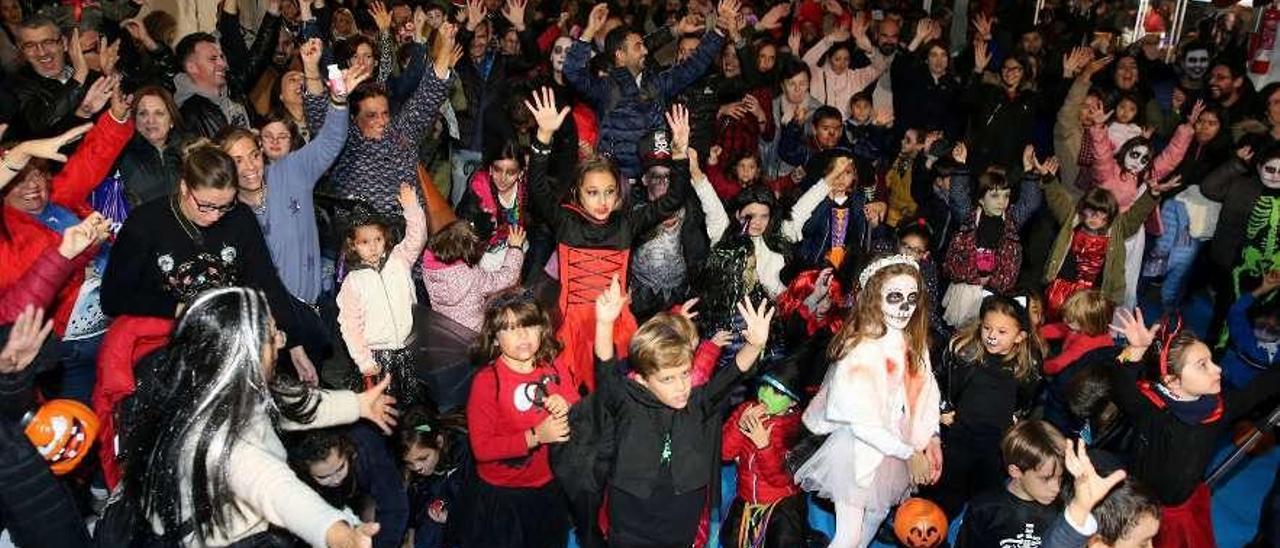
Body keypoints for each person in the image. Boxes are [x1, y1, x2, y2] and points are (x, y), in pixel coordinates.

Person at [118, 287, 395, 546]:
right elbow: (275, 488)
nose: (281, 342)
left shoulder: (207, 381)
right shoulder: (219, 439)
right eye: (272, 335)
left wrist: (358, 405)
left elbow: (293, 404)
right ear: (245, 352)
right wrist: (334, 531)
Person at [102, 145, 319, 384]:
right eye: (205, 206)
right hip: (166, 343)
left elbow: (265, 282)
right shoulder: (145, 223)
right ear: (185, 187)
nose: (215, 215)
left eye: (225, 205)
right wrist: (179, 309)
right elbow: (113, 297)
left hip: (231, 339)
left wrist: (295, 344)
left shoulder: (240, 217)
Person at [584, 276, 774, 547]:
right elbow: (605, 368)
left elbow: (731, 375)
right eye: (667, 379)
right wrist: (604, 323)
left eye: (685, 374)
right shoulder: (628, 402)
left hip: (679, 522)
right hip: (630, 521)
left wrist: (754, 345)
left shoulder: (697, 402)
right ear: (642, 379)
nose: (681, 387)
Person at [524, 88, 690, 392]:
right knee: (572, 396)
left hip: (616, 323)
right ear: (578, 193)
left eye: (609, 192)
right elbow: (536, 188)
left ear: (618, 193)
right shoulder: (565, 220)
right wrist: (543, 137)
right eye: (592, 192)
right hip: (571, 326)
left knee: (616, 393)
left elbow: (673, 198)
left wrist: (679, 153)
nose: (602, 201)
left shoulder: (626, 223)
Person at [796, 255, 942, 547]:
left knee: (875, 516)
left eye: (912, 298)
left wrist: (932, 437)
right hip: (859, 448)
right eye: (895, 297)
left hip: (897, 441)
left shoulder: (912, 342)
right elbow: (861, 422)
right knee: (848, 534)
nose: (905, 307)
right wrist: (908, 453)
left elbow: (927, 391)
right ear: (875, 298)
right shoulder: (860, 350)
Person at [1109, 308, 1280, 547]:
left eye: (1211, 360)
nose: (1217, 369)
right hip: (1140, 505)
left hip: (1183, 507)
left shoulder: (1218, 409)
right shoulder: (1152, 411)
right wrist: (1136, 350)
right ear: (1172, 381)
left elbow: (1259, 388)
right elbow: (1120, 383)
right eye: (1203, 365)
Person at [1, 96, 132, 403]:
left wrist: (115, 117)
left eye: (36, 174)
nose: (32, 185)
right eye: (18, 181)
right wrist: (76, 262)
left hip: (113, 320)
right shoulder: (8, 236)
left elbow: (90, 160)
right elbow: (26, 289)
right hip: (68, 347)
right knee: (78, 421)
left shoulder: (57, 200)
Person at [459, 288, 578, 547]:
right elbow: (482, 448)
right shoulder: (487, 382)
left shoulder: (554, 365)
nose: (522, 335)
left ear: (542, 329)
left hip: (549, 487)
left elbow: (580, 417)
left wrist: (568, 407)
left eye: (529, 325)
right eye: (511, 328)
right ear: (495, 338)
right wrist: (535, 436)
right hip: (504, 496)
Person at [564, 1, 733, 179]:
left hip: (655, 180)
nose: (645, 50)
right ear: (620, 56)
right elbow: (572, 72)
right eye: (638, 46)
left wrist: (720, 28)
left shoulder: (657, 83)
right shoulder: (605, 88)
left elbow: (694, 65)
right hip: (615, 183)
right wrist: (590, 30)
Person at [934, 295, 1043, 518]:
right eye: (987, 328)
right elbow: (937, 379)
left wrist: (1017, 419)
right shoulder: (962, 350)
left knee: (984, 498)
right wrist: (943, 408)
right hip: (959, 435)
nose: (992, 336)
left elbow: (1028, 398)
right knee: (947, 494)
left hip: (996, 445)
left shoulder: (1029, 365)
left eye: (1002, 332)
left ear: (1020, 336)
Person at [336, 185, 428, 407]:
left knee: (411, 407)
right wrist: (364, 361)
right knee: (383, 410)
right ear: (353, 245)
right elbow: (350, 325)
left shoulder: (400, 259)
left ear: (385, 237)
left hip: (408, 350)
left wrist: (411, 207)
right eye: (365, 242)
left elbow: (418, 236)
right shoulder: (353, 282)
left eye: (377, 239)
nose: (373, 247)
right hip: (377, 358)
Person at [720, 354, 809, 547]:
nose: (765, 395)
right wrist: (739, 425)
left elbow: (781, 478)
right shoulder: (746, 409)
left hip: (780, 504)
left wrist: (764, 446)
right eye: (765, 386)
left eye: (777, 392)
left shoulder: (794, 428)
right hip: (745, 500)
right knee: (730, 540)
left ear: (793, 401)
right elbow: (725, 453)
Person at [287, 425, 410, 548]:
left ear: (349, 452)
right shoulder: (295, 478)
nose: (336, 479)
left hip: (367, 468)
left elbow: (395, 506)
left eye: (340, 468)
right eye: (323, 477)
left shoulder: (368, 448)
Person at [173, 0, 281, 137]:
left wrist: (273, 9)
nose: (222, 64)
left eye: (222, 57)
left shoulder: (232, 89)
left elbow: (258, 59)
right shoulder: (189, 114)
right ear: (192, 67)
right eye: (213, 59)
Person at [956, 420, 1068, 547]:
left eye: (1060, 477)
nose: (1057, 488)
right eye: (1046, 479)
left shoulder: (1061, 510)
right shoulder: (985, 509)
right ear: (1016, 471)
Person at [422, 221, 524, 332]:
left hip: (445, 330)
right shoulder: (472, 276)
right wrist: (515, 248)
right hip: (473, 333)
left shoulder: (429, 270)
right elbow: (507, 278)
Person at [115, 86, 186, 207]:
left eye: (159, 113)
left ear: (171, 120)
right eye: (143, 114)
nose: (150, 120)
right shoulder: (121, 154)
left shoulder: (190, 153)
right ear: (134, 120)